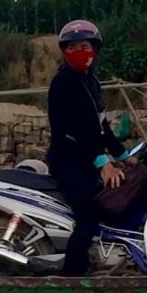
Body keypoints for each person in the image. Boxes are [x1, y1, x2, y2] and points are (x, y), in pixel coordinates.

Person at [44, 20, 129, 277]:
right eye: (71, 48)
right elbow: (80, 130)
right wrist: (103, 163)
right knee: (88, 220)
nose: (78, 51)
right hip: (69, 162)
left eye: (83, 45)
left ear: (94, 49)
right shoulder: (65, 82)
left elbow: (101, 126)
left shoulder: (89, 81)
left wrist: (124, 155)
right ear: (63, 52)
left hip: (85, 160)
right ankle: (71, 278)